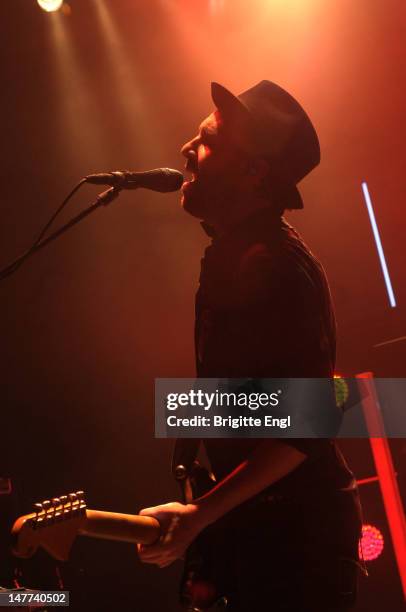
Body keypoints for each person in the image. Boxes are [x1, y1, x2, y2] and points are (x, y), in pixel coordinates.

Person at [138, 81, 365, 611]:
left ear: (254, 170)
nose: (185, 151)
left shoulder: (276, 267)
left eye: (207, 139)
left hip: (296, 542)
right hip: (271, 533)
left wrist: (204, 514)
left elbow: (306, 425)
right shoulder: (234, 256)